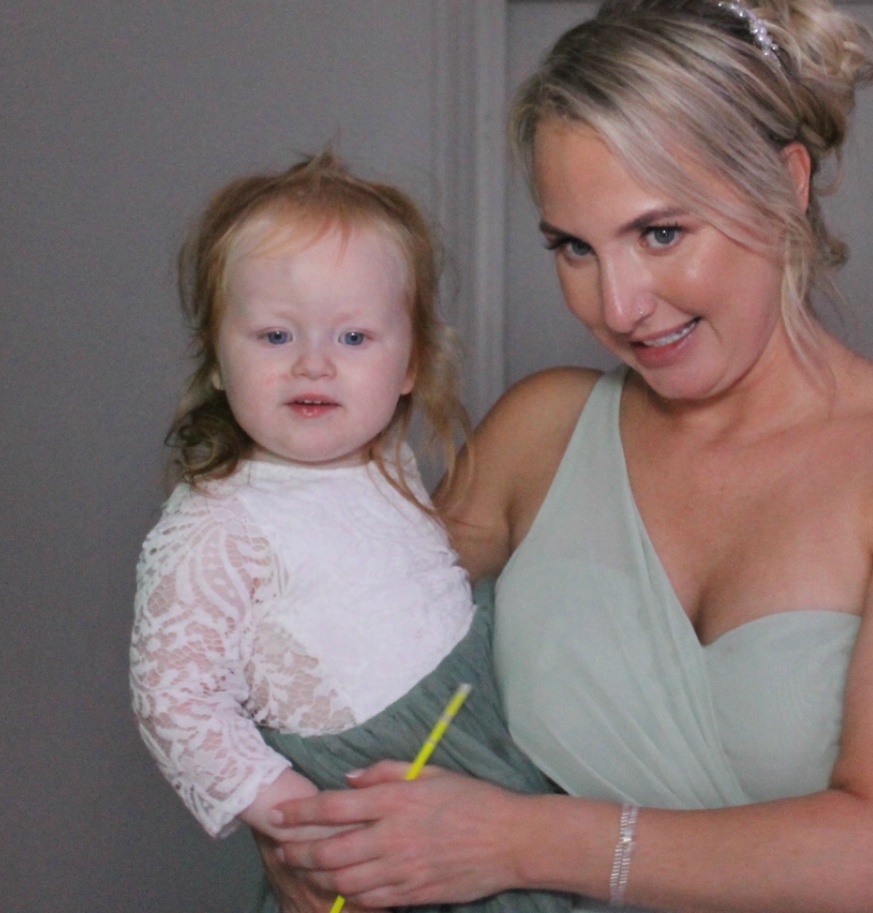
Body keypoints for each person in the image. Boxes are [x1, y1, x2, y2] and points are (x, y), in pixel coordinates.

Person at [262, 0, 873, 913]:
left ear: (785, 184)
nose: (619, 305)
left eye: (661, 233)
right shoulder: (541, 433)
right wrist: (295, 840)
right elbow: (330, 662)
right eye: (573, 248)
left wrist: (514, 841)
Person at [128, 154, 568, 913]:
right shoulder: (217, 522)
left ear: (411, 364)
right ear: (218, 360)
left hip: (485, 749)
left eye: (355, 338)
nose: (313, 364)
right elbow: (176, 700)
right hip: (370, 799)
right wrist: (299, 820)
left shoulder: (388, 466)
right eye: (274, 335)